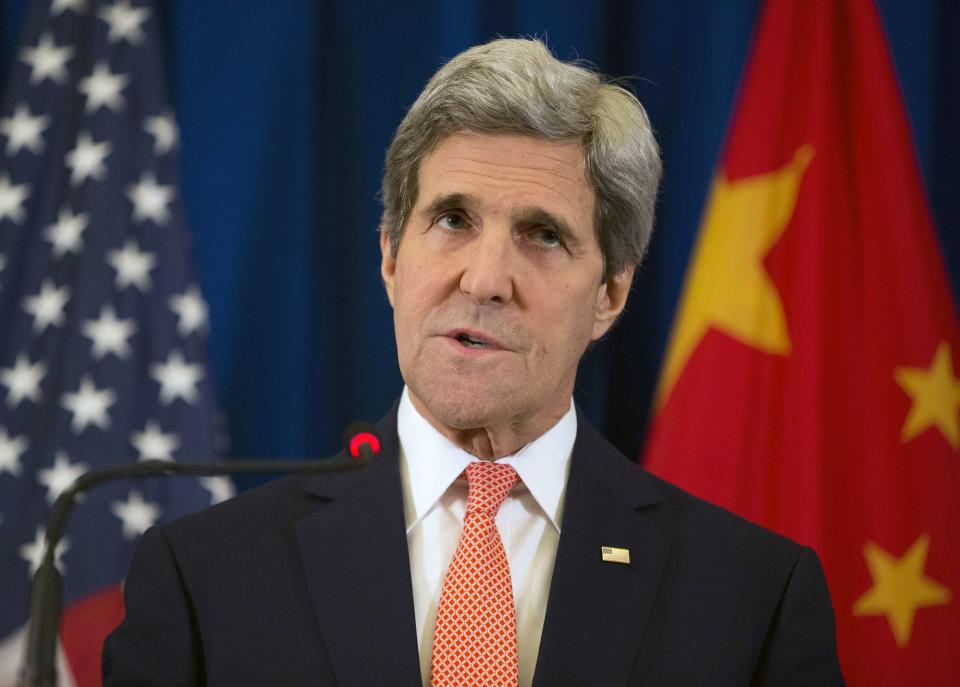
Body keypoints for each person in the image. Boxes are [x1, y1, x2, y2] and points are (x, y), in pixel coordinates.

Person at [103, 38, 844, 686]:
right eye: (453, 220)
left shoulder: (752, 597)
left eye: (542, 235)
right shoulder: (204, 578)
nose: (485, 278)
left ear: (610, 294)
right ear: (391, 254)